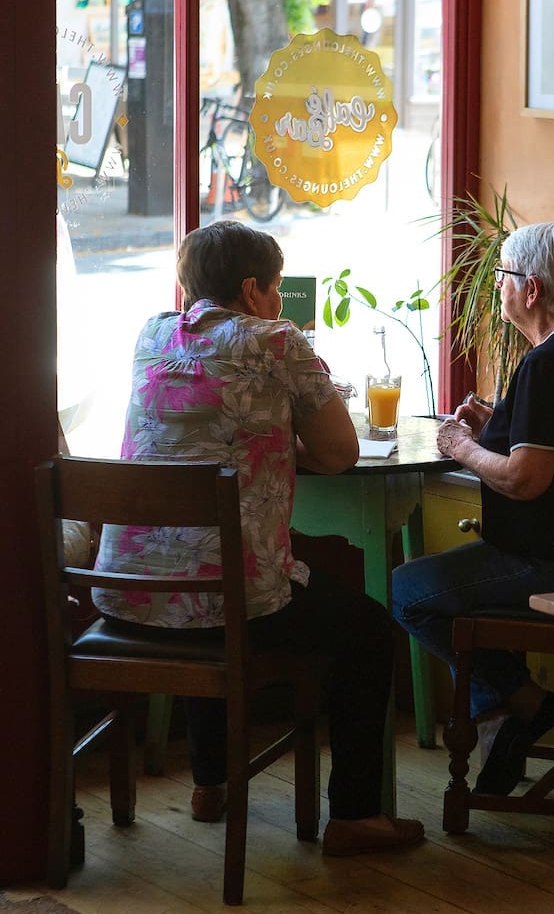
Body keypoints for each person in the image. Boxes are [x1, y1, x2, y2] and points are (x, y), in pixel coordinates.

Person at [93, 220, 424, 857]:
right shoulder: (276, 339)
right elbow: (337, 453)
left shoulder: (152, 331)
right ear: (252, 291)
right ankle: (355, 816)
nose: (278, 301)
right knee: (366, 630)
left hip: (128, 591)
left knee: (205, 572)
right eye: (275, 288)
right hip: (226, 603)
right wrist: (276, 439)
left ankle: (211, 784)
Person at [392, 222, 554, 796]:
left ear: (530, 290)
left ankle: (522, 703)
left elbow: (526, 480)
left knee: (409, 592)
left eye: (502, 277)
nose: (496, 287)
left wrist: (461, 446)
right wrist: (494, 426)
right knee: (441, 591)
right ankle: (517, 705)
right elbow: (552, 445)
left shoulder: (549, 364)